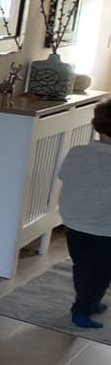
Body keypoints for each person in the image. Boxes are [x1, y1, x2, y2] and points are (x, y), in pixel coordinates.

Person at [56, 99, 111, 328]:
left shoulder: (77, 152)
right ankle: (82, 309)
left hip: (74, 221)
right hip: (103, 228)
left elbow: (64, 176)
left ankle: (88, 300)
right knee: (100, 272)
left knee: (83, 265)